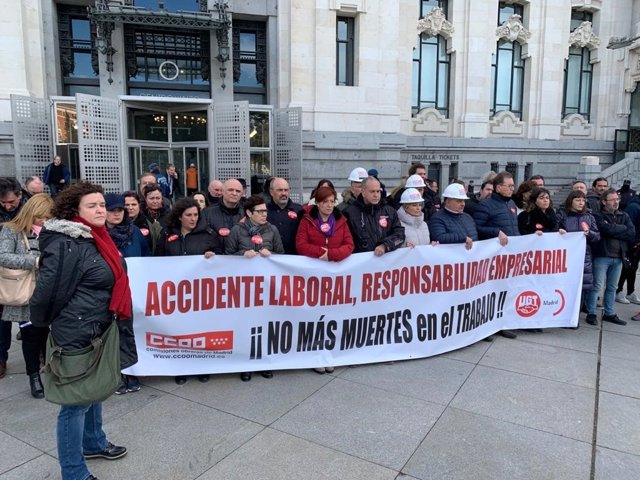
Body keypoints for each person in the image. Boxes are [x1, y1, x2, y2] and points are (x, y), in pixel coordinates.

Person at [30, 181, 134, 480]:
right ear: (75, 210)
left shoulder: (96, 237)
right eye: (93, 205)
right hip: (76, 332)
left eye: (102, 204)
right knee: (75, 404)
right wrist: (56, 325)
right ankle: (73, 472)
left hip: (99, 327)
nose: (101, 209)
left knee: (95, 390)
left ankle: (93, 442)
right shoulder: (67, 242)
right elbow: (46, 294)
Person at [156, 198, 221, 385]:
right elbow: (157, 259)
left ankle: (201, 367)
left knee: (199, 331)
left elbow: (221, 260)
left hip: (199, 294)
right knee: (179, 332)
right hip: (176, 293)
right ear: (179, 217)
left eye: (195, 215)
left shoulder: (208, 234)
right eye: (188, 215)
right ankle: (181, 368)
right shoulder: (167, 234)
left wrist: (213, 256)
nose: (193, 219)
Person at [0, 194, 53, 397]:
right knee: (30, 336)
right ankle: (34, 377)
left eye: (47, 217)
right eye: (41, 217)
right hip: (25, 293)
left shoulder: (51, 231)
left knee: (47, 334)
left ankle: (50, 369)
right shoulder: (11, 229)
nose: (43, 221)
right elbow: (3, 256)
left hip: (48, 293)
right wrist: (35, 261)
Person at [296, 186, 353, 373]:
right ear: (318, 203)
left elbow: (349, 245)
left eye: (332, 201)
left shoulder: (341, 221)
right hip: (313, 277)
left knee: (332, 315)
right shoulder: (307, 220)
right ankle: (314, 355)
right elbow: (301, 244)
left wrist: (332, 255)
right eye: (325, 202)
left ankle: (329, 353)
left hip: (334, 277)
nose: (329, 205)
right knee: (315, 316)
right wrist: (321, 253)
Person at [226, 195, 283, 382]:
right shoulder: (237, 230)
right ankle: (245, 363)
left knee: (265, 324)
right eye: (260, 211)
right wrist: (243, 254)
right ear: (249, 213)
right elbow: (226, 256)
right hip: (244, 287)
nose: (264, 214)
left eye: (265, 211)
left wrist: (271, 254)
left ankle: (264, 362)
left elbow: (282, 256)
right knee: (246, 325)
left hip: (266, 288)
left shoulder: (272, 230)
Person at [473, 171, 519, 339]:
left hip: (510, 256)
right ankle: (486, 326)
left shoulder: (511, 204)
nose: (512, 189)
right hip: (493, 257)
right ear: (498, 187)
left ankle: (502, 323)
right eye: (509, 186)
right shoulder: (486, 206)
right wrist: (495, 232)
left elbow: (514, 228)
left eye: (513, 185)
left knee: (506, 290)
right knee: (490, 292)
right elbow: (477, 228)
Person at [585, 189, 636, 326]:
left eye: (617, 199)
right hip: (602, 255)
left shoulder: (624, 215)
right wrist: (620, 229)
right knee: (597, 286)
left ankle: (609, 313)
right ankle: (591, 313)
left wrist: (614, 229)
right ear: (604, 202)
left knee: (612, 287)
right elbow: (604, 229)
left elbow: (631, 233)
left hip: (619, 257)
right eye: (612, 200)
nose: (616, 202)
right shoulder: (598, 215)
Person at [0, 177, 30, 379]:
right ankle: (1, 358)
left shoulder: (29, 210)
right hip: (1, 273)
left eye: (11, 202)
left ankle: (35, 353)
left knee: (27, 318)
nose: (7, 206)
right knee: (1, 319)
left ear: (20, 195)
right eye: (3, 203)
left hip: (24, 274)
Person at [557, 190, 600, 326]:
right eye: (578, 200)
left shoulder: (589, 217)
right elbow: (554, 229)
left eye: (583, 200)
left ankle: (574, 317)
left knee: (581, 288)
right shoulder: (562, 215)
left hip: (584, 257)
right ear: (571, 201)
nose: (581, 203)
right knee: (565, 286)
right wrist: (559, 231)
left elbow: (597, 236)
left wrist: (590, 234)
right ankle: (563, 315)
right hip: (566, 257)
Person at [343, 176, 405, 255]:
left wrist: (385, 245)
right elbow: (345, 242)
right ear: (363, 192)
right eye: (372, 192)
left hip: (386, 264)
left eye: (378, 191)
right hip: (361, 264)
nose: (376, 195)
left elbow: (400, 235)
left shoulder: (389, 211)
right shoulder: (349, 213)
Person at [429, 183, 478, 249]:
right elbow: (439, 237)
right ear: (447, 202)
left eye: (463, 201)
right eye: (459, 201)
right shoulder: (437, 218)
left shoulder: (468, 217)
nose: (463, 204)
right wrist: (463, 238)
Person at [203, 178, 245, 252]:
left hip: (240, 259)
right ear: (222, 191)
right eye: (230, 190)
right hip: (215, 259)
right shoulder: (207, 213)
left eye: (238, 191)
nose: (234, 193)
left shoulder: (247, 214)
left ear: (242, 194)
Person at [267, 177, 303, 254]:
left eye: (286, 190)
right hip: (271, 258)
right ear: (271, 192)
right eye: (280, 190)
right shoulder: (264, 211)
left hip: (294, 258)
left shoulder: (300, 210)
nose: (283, 193)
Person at [616, 192, 640, 305]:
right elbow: (628, 226)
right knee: (626, 268)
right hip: (632, 243)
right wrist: (632, 242)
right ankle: (619, 291)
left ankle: (630, 292)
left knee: (633, 269)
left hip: (636, 243)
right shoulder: (634, 207)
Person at [141, 184, 169, 255]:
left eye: (158, 198)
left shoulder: (169, 215)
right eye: (152, 198)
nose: (155, 201)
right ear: (145, 198)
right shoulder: (140, 216)